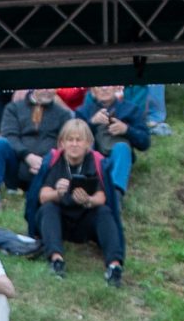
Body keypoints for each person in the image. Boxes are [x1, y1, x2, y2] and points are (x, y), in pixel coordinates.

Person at [34, 117, 125, 285]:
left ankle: (114, 266)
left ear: (88, 144)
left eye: (79, 140)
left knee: (104, 212)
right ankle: (56, 260)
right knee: (48, 208)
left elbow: (102, 197)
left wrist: (89, 200)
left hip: (84, 220)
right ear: (62, 143)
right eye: (70, 140)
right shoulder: (55, 161)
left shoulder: (95, 162)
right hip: (59, 221)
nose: (74, 144)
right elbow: (42, 196)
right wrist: (57, 193)